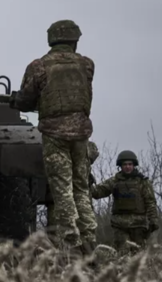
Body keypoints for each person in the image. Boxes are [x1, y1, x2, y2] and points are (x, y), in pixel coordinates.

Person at [10, 19, 97, 254]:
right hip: (81, 133)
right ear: (74, 40)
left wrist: (16, 100)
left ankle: (71, 240)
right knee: (81, 187)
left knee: (62, 188)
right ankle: (89, 235)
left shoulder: (39, 66)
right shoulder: (87, 64)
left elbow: (26, 100)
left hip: (54, 134)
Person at [90, 150, 158, 252]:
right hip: (120, 225)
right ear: (120, 166)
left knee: (138, 256)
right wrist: (87, 181)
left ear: (134, 165)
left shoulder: (143, 182)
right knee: (122, 254)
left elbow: (150, 202)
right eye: (125, 164)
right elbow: (97, 192)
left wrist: (153, 220)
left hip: (138, 225)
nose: (127, 167)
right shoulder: (115, 181)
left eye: (130, 164)